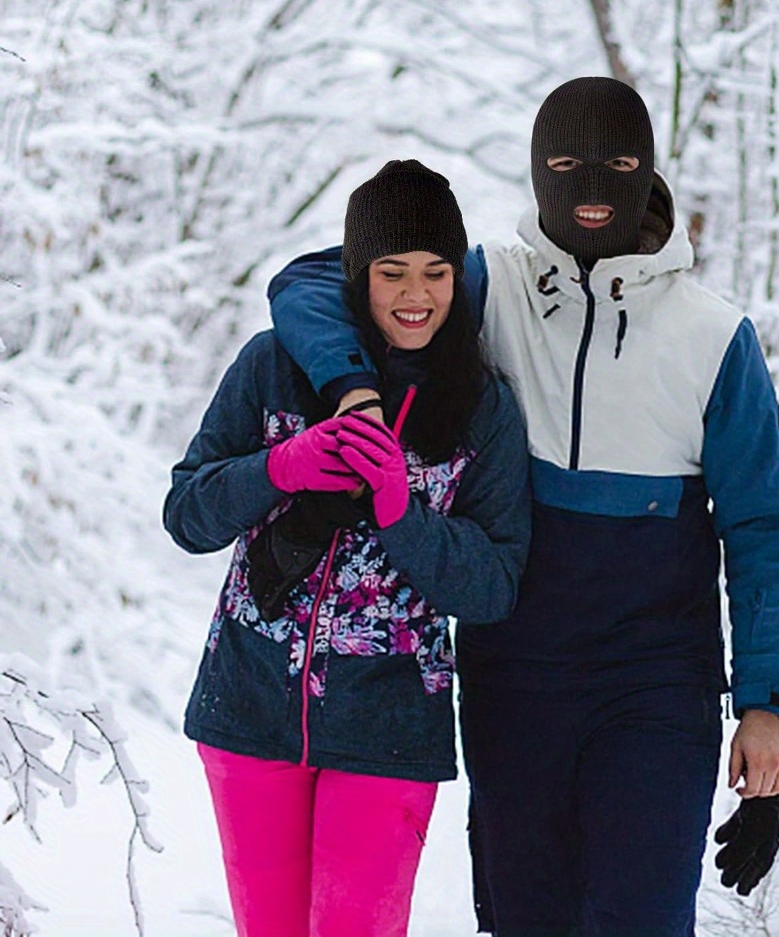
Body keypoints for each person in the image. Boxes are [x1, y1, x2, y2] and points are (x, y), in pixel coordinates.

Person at [266, 78, 779, 935]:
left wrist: (767, 704)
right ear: (534, 170)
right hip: (513, 674)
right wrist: (350, 385)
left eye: (619, 164)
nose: (592, 191)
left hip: (656, 683)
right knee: (526, 918)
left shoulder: (715, 336)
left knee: (641, 917)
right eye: (565, 164)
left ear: (648, 170)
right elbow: (308, 283)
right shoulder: (486, 288)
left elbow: (763, 531)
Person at [163, 160, 531, 937]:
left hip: (390, 726)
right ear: (357, 276)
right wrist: (277, 468)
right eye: (391, 272)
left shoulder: (484, 406)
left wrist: (405, 515)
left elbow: (495, 585)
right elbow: (188, 516)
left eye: (435, 273)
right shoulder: (275, 366)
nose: (414, 295)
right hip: (250, 707)